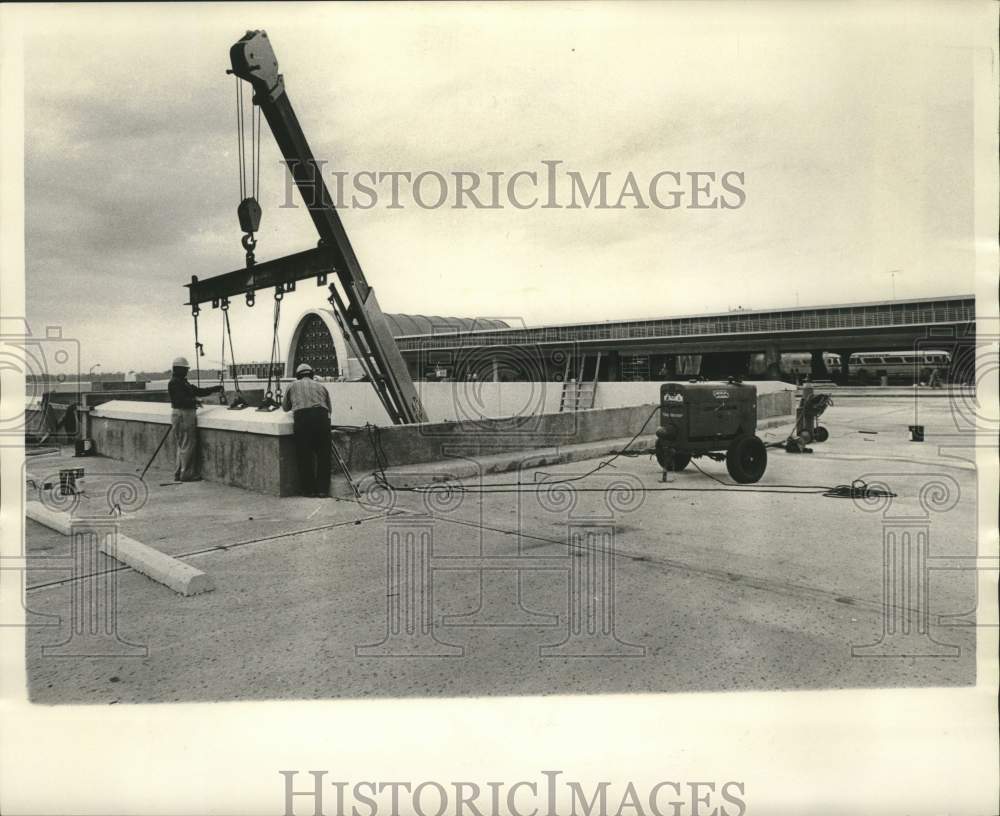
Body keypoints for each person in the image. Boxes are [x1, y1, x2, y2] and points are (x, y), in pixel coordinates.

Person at [167, 356, 223, 482]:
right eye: (186, 369)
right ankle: (187, 474)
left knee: (182, 445)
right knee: (188, 444)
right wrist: (195, 400)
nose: (187, 371)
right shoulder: (176, 382)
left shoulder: (180, 382)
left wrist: (215, 388)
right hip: (184, 414)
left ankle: (179, 473)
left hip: (181, 414)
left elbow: (198, 390)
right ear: (179, 369)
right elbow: (180, 401)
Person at [282, 363, 333, 497]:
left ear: (298, 376)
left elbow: (285, 407)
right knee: (323, 455)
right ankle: (323, 490)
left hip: (303, 419)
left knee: (304, 455)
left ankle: (308, 490)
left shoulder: (292, 386)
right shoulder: (321, 386)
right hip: (322, 418)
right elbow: (329, 409)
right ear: (311, 374)